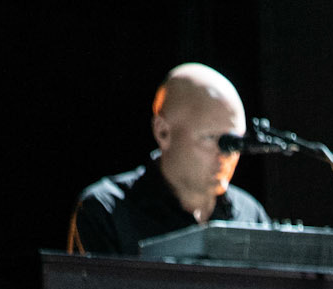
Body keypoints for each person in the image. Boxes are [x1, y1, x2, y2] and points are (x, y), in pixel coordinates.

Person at [69, 63, 270, 258]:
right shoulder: (107, 211)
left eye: (235, 143)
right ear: (162, 131)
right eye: (210, 138)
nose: (225, 154)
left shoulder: (250, 214)